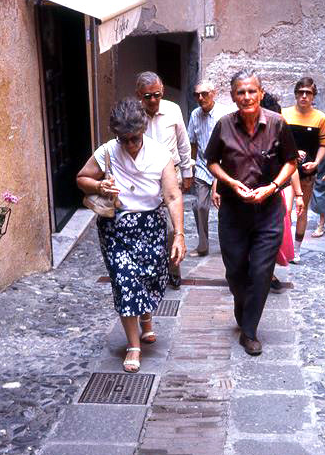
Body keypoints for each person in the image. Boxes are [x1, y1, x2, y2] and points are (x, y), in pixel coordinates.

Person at [76, 98, 186, 373]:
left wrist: (180, 234)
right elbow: (82, 178)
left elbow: (173, 196)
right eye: (123, 139)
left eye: (134, 138)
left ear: (143, 130)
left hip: (150, 225)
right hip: (117, 228)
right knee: (125, 281)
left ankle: (147, 319)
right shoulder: (107, 151)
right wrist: (101, 186)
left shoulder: (160, 155)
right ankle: (133, 345)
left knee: (148, 277)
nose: (129, 145)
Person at [206, 70, 299, 356]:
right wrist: (230, 182)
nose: (246, 97)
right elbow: (211, 161)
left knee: (260, 272)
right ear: (233, 96)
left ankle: (249, 332)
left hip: (268, 210)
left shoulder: (277, 124)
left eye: (251, 92)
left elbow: (291, 162)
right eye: (240, 92)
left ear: (260, 93)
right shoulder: (223, 125)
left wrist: (272, 187)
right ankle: (242, 305)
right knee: (235, 272)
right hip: (234, 211)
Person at [136, 71, 192, 289]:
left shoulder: (173, 110)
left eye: (156, 95)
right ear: (139, 95)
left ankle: (173, 269)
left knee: (171, 228)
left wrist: (187, 173)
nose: (153, 100)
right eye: (147, 96)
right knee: (146, 225)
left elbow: (183, 142)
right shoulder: (135, 114)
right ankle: (148, 268)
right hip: (144, 178)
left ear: (163, 92)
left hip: (172, 175)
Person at [282, 77, 325, 261]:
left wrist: (317, 162)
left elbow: (324, 144)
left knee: (302, 210)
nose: (304, 96)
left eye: (308, 93)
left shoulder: (320, 118)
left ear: (313, 96)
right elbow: (278, 140)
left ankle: (297, 249)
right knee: (284, 210)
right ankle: (283, 247)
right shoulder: (284, 114)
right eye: (300, 92)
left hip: (307, 172)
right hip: (286, 170)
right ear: (295, 94)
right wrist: (293, 152)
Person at [259, 92, 304, 290]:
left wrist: (299, 194)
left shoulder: (281, 132)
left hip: (278, 189)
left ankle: (267, 273)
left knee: (275, 233)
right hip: (254, 191)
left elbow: (290, 164)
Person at [187, 80, 229, 257]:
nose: (200, 97)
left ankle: (229, 245)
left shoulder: (225, 114)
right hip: (203, 167)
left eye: (204, 93)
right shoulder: (195, 114)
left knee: (225, 209)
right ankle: (203, 245)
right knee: (200, 207)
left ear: (214, 93)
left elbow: (228, 148)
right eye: (197, 94)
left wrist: (217, 183)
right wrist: (191, 166)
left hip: (224, 167)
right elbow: (193, 142)